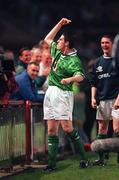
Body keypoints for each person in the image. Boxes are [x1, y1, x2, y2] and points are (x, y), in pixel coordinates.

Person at [43, 18, 89, 172]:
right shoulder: (57, 51)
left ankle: (83, 158)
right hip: (51, 91)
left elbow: (81, 76)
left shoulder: (74, 60)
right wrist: (60, 24)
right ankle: (51, 164)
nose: (58, 41)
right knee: (51, 129)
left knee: (68, 128)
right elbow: (47, 38)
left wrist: (70, 79)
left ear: (67, 43)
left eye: (61, 39)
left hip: (63, 94)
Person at [90, 35, 119, 165]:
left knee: (117, 129)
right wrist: (92, 98)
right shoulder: (97, 62)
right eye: (102, 42)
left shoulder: (116, 61)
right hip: (102, 100)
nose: (104, 45)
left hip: (116, 99)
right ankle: (102, 158)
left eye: (107, 42)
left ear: (112, 44)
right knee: (102, 129)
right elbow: (94, 83)